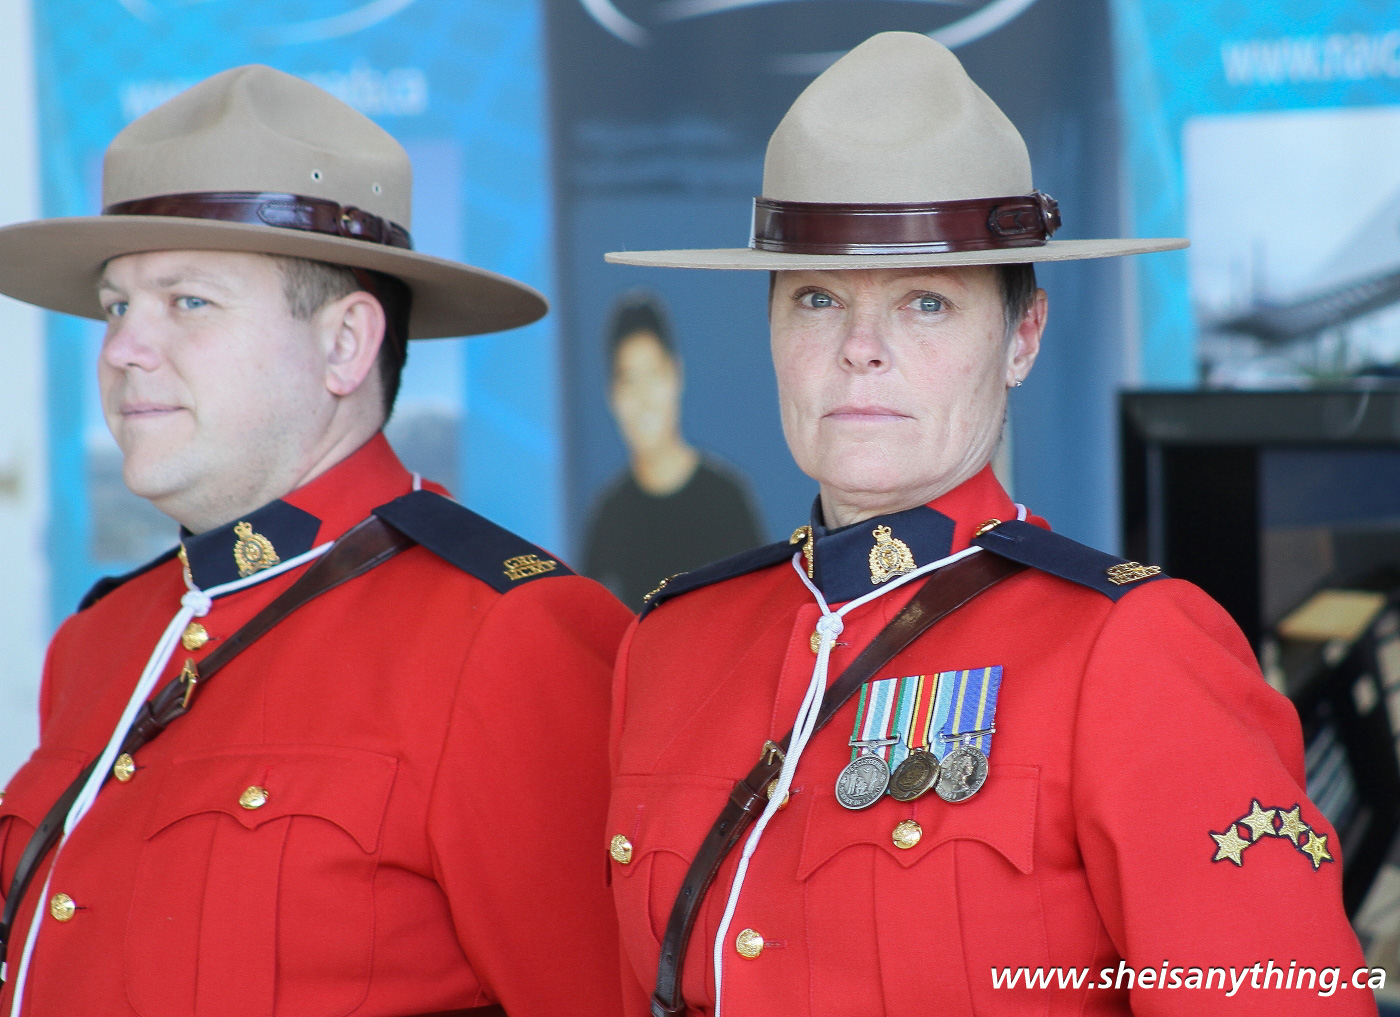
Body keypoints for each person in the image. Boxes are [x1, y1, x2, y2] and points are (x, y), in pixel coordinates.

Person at [602, 33, 1372, 1016]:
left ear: (1022, 337)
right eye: (816, 298)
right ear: (771, 330)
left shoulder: (1132, 653)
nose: (860, 349)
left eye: (926, 303)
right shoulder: (670, 647)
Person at [0, 66, 630, 1017]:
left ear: (344, 344)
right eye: (118, 304)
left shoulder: (506, 636)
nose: (123, 347)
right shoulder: (100, 641)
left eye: (188, 301)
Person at [583, 290, 764, 610]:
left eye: (654, 374)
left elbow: (759, 608)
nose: (644, 398)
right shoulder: (609, 517)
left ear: (676, 375)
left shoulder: (726, 500)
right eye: (629, 380)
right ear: (613, 395)